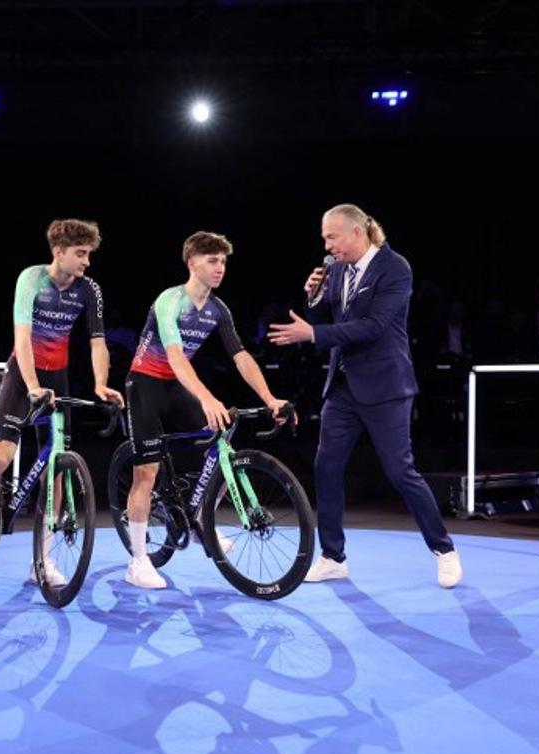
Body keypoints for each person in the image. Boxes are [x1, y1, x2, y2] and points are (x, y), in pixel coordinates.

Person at [268, 204, 462, 588]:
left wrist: (313, 335)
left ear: (357, 233)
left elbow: (372, 327)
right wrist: (314, 299)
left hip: (386, 386)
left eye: (332, 237)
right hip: (342, 386)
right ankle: (332, 556)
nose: (327, 245)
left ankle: (444, 550)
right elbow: (328, 319)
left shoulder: (395, 268)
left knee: (400, 471)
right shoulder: (337, 269)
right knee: (326, 467)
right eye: (325, 238)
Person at [124, 231, 292, 589]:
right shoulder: (171, 301)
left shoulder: (218, 309)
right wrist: (205, 397)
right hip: (146, 384)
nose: (220, 268)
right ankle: (138, 561)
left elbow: (241, 356)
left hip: (179, 385)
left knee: (223, 435)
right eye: (213, 261)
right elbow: (173, 357)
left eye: (224, 262)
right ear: (192, 263)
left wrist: (269, 398)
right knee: (147, 473)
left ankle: (201, 518)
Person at [0, 219, 123, 581]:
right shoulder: (31, 279)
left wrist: (101, 383)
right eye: (80, 254)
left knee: (57, 468)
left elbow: (97, 341)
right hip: (23, 375)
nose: (87, 262)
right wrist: (33, 385)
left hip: (59, 377)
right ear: (59, 252)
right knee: (0, 458)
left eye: (89, 254)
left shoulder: (88, 289)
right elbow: (22, 337)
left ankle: (43, 562)